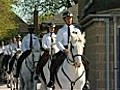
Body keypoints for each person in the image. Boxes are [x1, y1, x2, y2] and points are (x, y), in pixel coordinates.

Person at [47, 11, 87, 88]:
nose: (69, 20)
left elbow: (80, 41)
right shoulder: (61, 31)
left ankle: (86, 82)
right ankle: (52, 80)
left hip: (75, 50)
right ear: (64, 20)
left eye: (70, 18)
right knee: (54, 61)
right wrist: (63, 49)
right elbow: (58, 42)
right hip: (65, 50)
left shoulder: (77, 30)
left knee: (86, 62)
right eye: (67, 18)